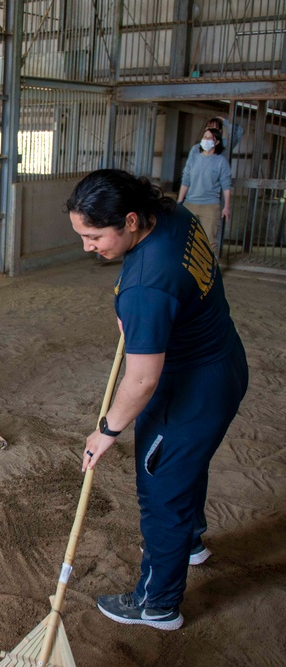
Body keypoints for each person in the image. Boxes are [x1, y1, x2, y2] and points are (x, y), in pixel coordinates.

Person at [66, 169, 248, 631]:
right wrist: (145, 319)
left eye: (94, 236)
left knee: (161, 487)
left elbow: (142, 381)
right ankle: (190, 542)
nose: (87, 247)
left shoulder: (147, 284)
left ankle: (156, 604)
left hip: (188, 387)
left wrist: (105, 430)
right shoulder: (169, 213)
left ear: (129, 220)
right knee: (188, 463)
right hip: (223, 362)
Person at [178, 127, 231, 255]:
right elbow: (186, 180)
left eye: (209, 138)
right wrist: (180, 201)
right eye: (204, 137)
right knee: (185, 238)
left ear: (217, 142)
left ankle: (212, 272)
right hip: (190, 203)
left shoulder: (221, 162)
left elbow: (226, 185)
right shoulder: (194, 158)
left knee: (210, 241)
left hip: (210, 205)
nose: (205, 140)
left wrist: (226, 206)